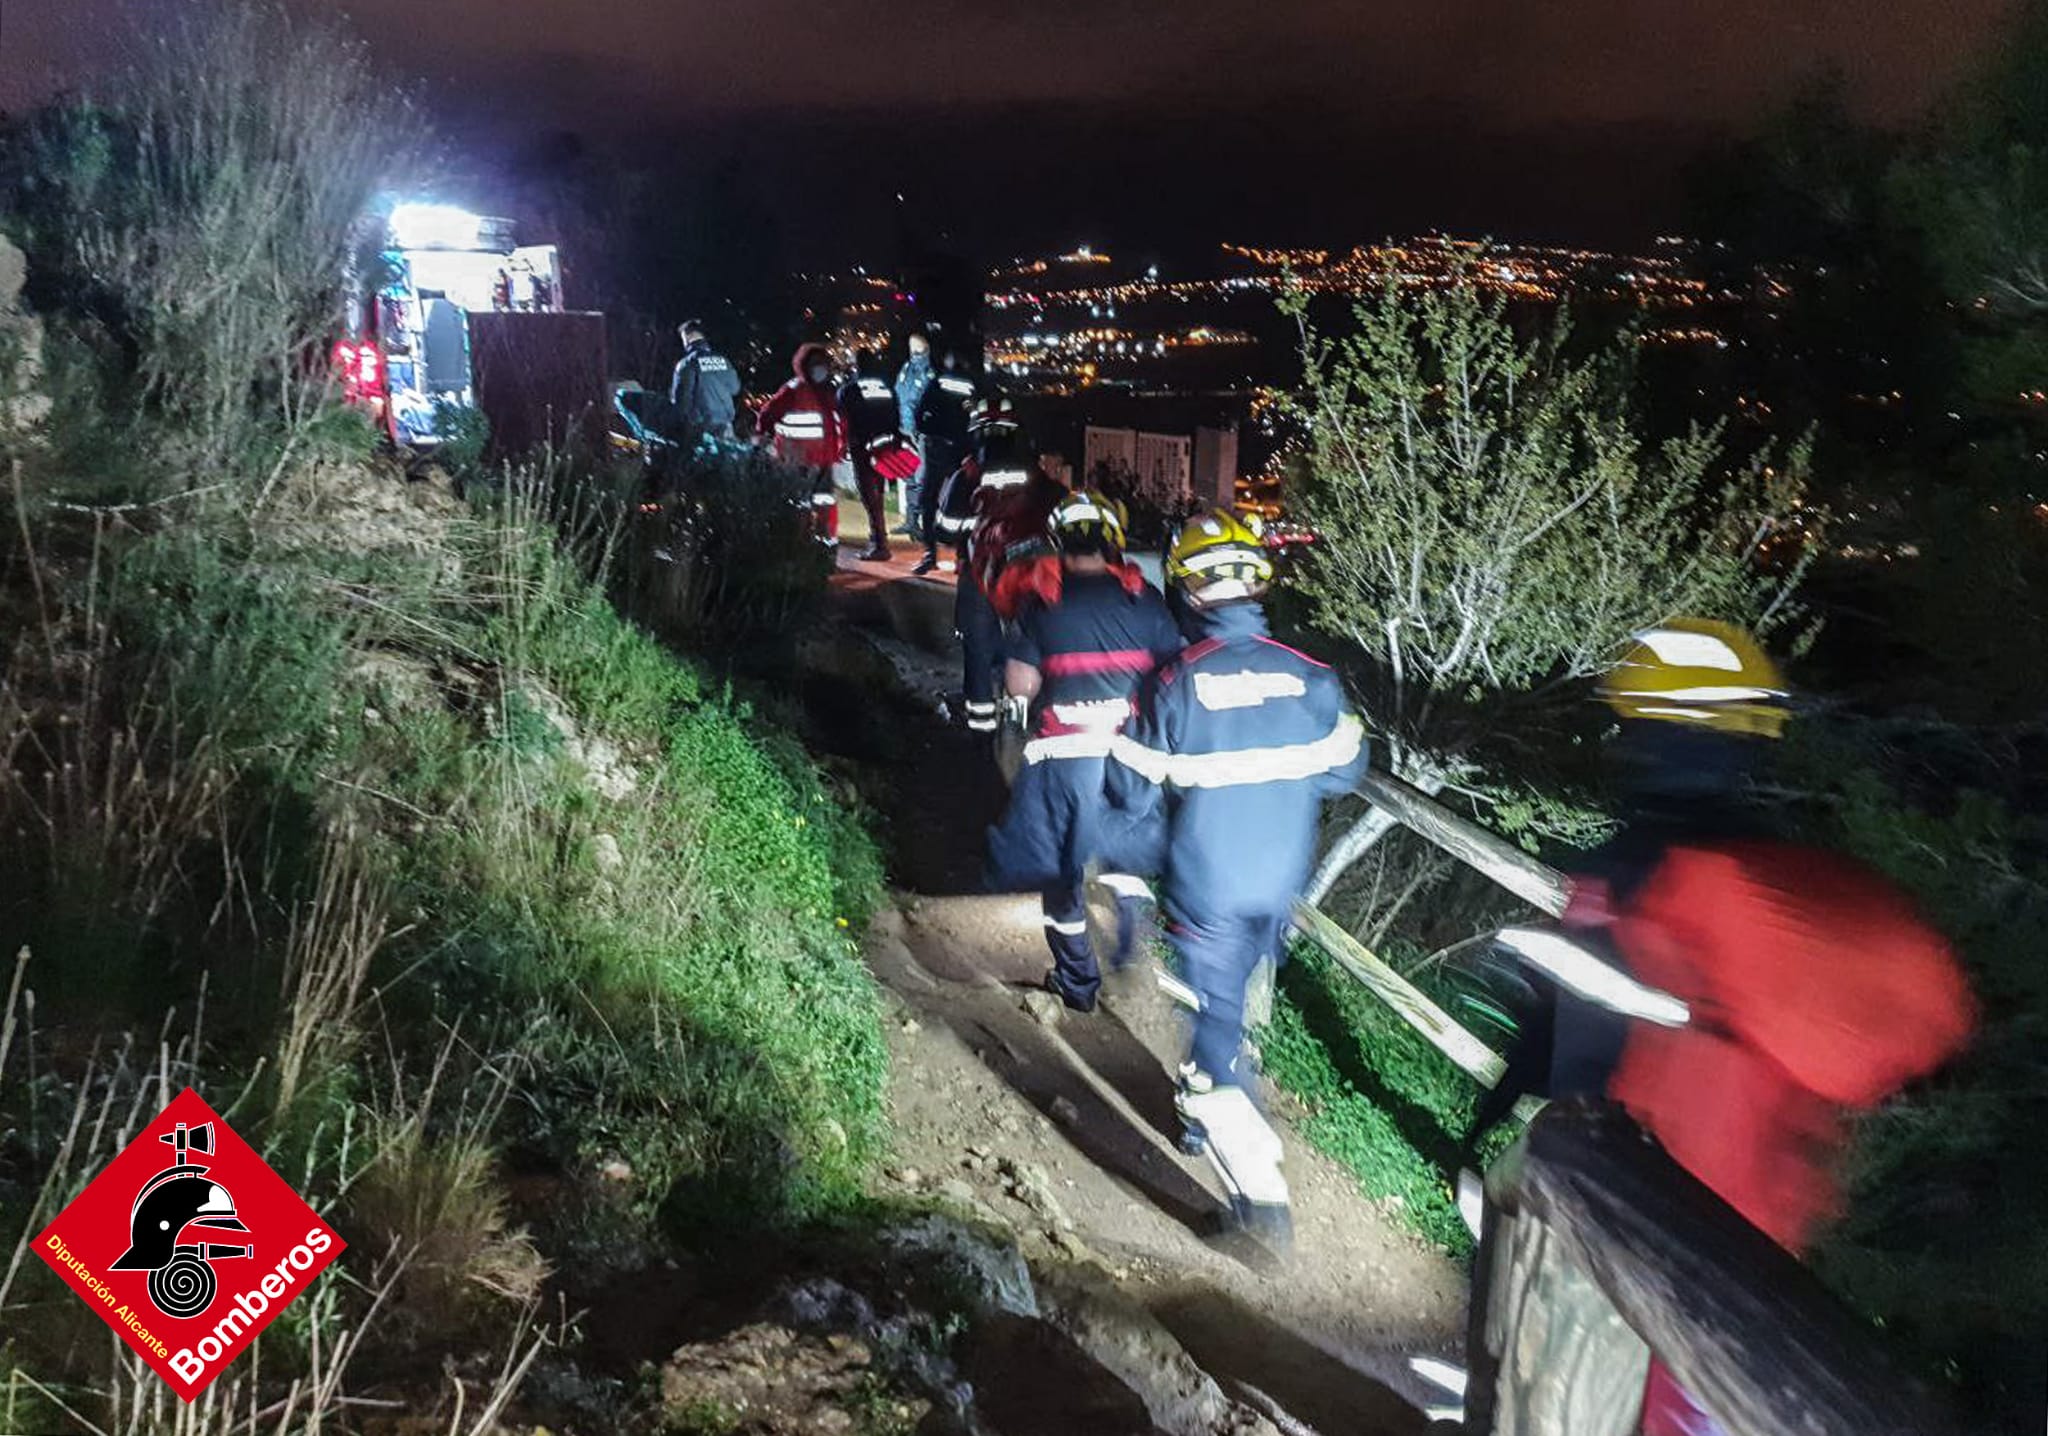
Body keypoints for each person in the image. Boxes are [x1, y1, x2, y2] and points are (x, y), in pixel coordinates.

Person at [1483, 618, 1976, 1436]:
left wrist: (1511, 1127)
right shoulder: (1783, 878)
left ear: (1643, 734)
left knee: (1569, 1404)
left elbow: (1576, 1054)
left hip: (1629, 1212)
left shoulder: (1634, 877)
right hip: (1754, 1235)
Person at [1104, 509, 1367, 1250]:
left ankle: (1262, 1200)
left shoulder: (1172, 686)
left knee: (1214, 1024)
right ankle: (1203, 1108)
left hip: (1207, 889)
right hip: (1280, 885)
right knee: (1226, 1009)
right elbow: (1347, 770)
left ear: (1186, 592)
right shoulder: (1314, 678)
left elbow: (1129, 791)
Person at [986, 492, 1184, 1013]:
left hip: (1063, 758)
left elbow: (1020, 684)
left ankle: (1077, 983)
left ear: (1059, 542)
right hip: (1132, 758)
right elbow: (1174, 678)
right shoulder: (1149, 603)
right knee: (1129, 848)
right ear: (1114, 542)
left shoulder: (1041, 605)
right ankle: (1130, 929)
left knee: (1061, 875)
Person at [946, 396, 1041, 731]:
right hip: (1028, 577)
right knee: (1030, 648)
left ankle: (981, 736)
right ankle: (1024, 723)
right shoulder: (1035, 475)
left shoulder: (967, 475)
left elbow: (944, 528)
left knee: (978, 653)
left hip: (978, 577)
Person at [755, 342, 847, 546]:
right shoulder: (793, 390)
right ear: (804, 366)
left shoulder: (828, 391)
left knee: (825, 500)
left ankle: (826, 541)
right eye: (815, 364)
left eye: (823, 364)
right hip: (798, 460)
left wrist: (841, 447)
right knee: (800, 502)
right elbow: (768, 414)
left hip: (824, 459)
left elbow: (839, 421)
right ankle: (800, 542)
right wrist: (763, 438)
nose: (820, 369)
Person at [911, 348, 977, 575]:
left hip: (937, 448)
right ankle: (962, 556)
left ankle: (930, 555)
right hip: (960, 451)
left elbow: (919, 414)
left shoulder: (937, 383)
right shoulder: (969, 388)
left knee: (928, 500)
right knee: (962, 502)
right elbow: (973, 418)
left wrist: (925, 432)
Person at [836, 349, 899, 561]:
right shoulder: (885, 387)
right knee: (878, 492)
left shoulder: (850, 389)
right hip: (883, 444)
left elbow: (842, 419)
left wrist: (843, 444)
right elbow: (894, 413)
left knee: (868, 493)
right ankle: (880, 540)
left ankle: (879, 542)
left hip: (861, 445)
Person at [669, 320, 743, 440]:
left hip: (701, 430)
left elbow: (681, 401)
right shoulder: (723, 360)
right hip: (725, 426)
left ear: (687, 337)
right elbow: (735, 389)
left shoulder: (686, 364)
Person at [895, 332, 934, 543]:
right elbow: (900, 396)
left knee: (920, 478)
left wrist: (920, 427)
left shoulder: (928, 373)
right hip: (904, 429)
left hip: (918, 432)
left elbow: (926, 404)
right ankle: (911, 522)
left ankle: (918, 522)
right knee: (909, 476)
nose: (914, 353)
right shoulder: (906, 369)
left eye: (917, 349)